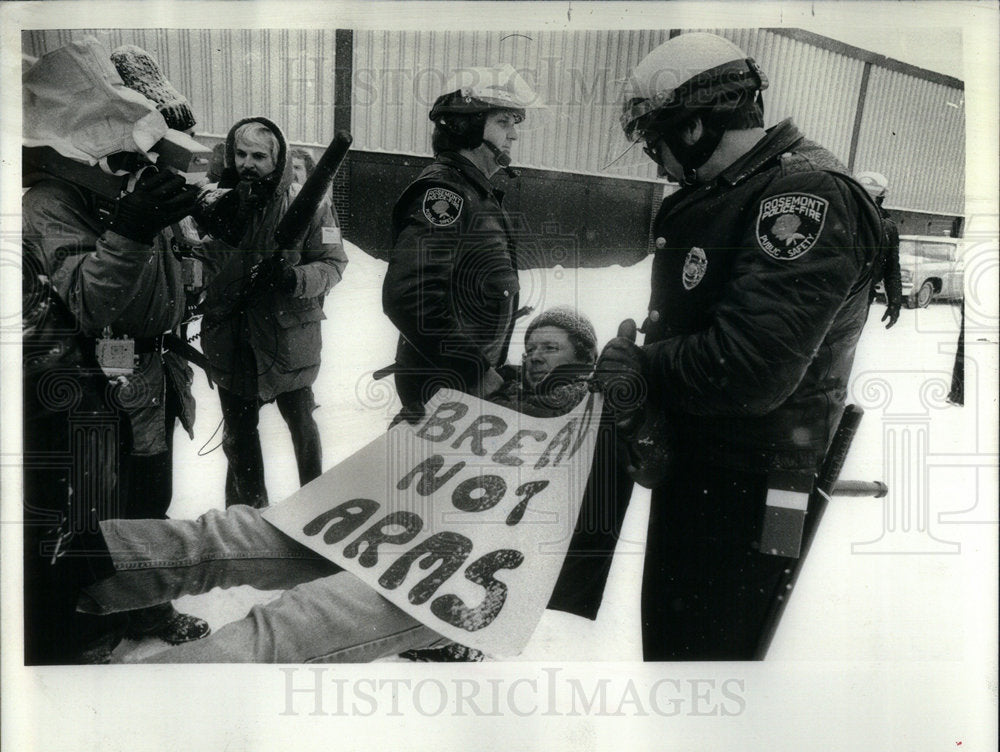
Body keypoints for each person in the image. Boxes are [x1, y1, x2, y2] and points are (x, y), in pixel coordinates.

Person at [76, 307, 632, 663]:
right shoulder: (488, 393)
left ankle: (134, 708)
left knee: (295, 625)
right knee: (236, 534)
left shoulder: (588, 418)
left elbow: (587, 511)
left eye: (552, 348)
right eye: (532, 346)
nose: (535, 355)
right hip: (386, 521)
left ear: (583, 357)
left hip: (453, 560)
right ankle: (79, 570)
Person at [593, 32, 885, 661]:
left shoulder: (804, 197)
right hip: (709, 470)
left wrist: (644, 366)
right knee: (678, 649)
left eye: (655, 140)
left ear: (695, 127)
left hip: (755, 486)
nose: (656, 160)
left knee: (713, 657)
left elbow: (749, 367)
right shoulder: (737, 191)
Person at [22, 38, 210, 662]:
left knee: (150, 501)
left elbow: (164, 271)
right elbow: (91, 300)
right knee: (98, 513)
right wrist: (131, 227)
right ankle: (90, 627)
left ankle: (147, 603)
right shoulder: (51, 201)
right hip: (91, 381)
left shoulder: (122, 183)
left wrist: (192, 254)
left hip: (150, 370)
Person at [197, 118, 349, 508]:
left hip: (289, 340)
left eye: (259, 156)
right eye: (241, 154)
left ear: (277, 160)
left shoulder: (311, 207)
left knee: (302, 428)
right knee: (239, 437)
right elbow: (194, 266)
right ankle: (246, 517)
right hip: (231, 340)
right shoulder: (212, 206)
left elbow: (333, 265)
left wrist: (291, 278)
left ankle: (316, 510)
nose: (248, 163)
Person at [381, 64, 546, 422]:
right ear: (467, 125)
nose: (514, 135)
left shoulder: (474, 191)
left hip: (461, 389)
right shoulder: (447, 193)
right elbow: (410, 295)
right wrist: (472, 368)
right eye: (504, 122)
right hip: (446, 390)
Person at [856, 171, 904, 328]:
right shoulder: (841, 220)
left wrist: (895, 301)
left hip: (860, 299)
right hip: (836, 297)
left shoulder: (888, 228)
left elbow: (892, 268)